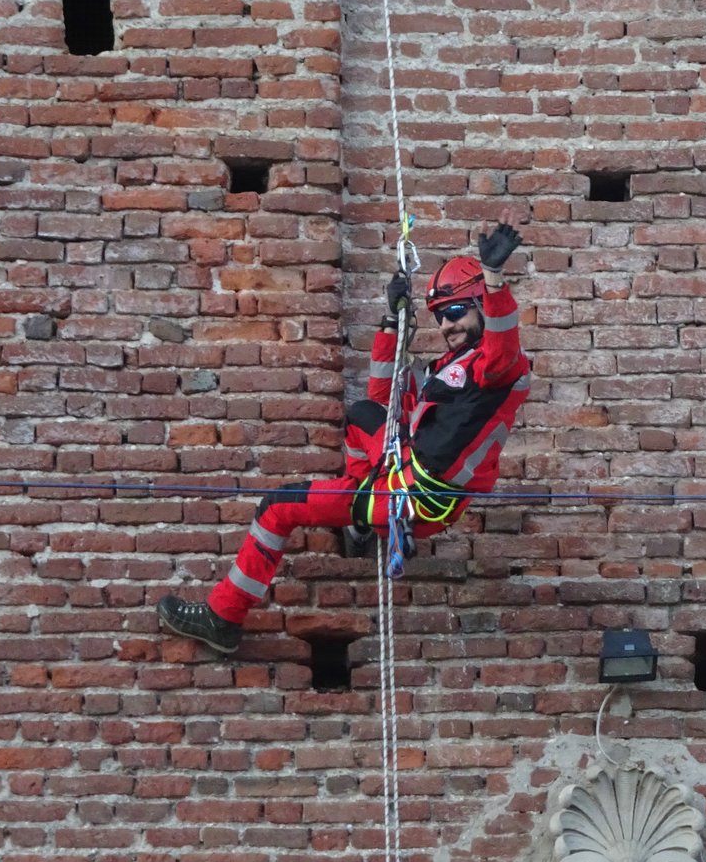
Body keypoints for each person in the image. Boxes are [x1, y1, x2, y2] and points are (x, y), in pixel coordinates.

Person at [157, 214, 532, 654]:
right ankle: (360, 521)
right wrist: (392, 326)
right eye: (438, 317)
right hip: (398, 483)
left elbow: (503, 344)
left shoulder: (498, 369)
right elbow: (383, 399)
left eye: (454, 312)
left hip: (417, 498)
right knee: (361, 414)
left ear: (480, 306)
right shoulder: (443, 371)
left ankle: (224, 615)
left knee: (280, 507)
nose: (446, 325)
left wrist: (493, 280)